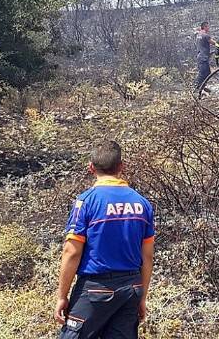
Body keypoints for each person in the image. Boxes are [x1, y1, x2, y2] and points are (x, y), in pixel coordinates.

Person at [54, 141, 155, 339]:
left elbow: (72, 251)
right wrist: (142, 297)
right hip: (131, 289)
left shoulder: (86, 201)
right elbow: (148, 256)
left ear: (91, 167)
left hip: (95, 289)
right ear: (121, 166)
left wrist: (61, 296)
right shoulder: (142, 204)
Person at [194, 22, 217, 92]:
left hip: (200, 56)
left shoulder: (199, 35)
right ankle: (196, 86)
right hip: (203, 57)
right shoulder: (205, 35)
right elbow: (214, 43)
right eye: (207, 27)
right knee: (203, 72)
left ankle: (201, 86)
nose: (208, 28)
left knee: (207, 72)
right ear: (204, 27)